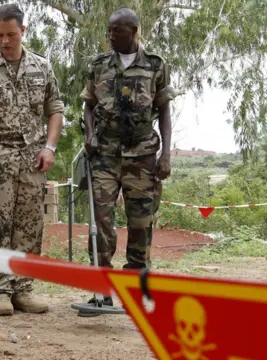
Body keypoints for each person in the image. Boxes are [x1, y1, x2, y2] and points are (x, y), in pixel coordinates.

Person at [0, 3, 64, 316]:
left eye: (10, 34)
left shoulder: (42, 66)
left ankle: (23, 288)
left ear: (23, 31)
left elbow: (56, 110)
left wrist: (49, 147)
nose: (4, 41)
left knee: (30, 225)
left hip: (33, 157)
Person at [80, 8, 177, 306]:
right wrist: (90, 135)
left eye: (117, 31)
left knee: (140, 223)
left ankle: (135, 288)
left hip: (143, 156)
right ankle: (102, 287)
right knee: (101, 221)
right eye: (109, 31)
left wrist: (166, 156)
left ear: (134, 31)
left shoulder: (155, 65)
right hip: (105, 157)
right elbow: (88, 105)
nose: (110, 36)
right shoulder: (99, 65)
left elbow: (164, 111)